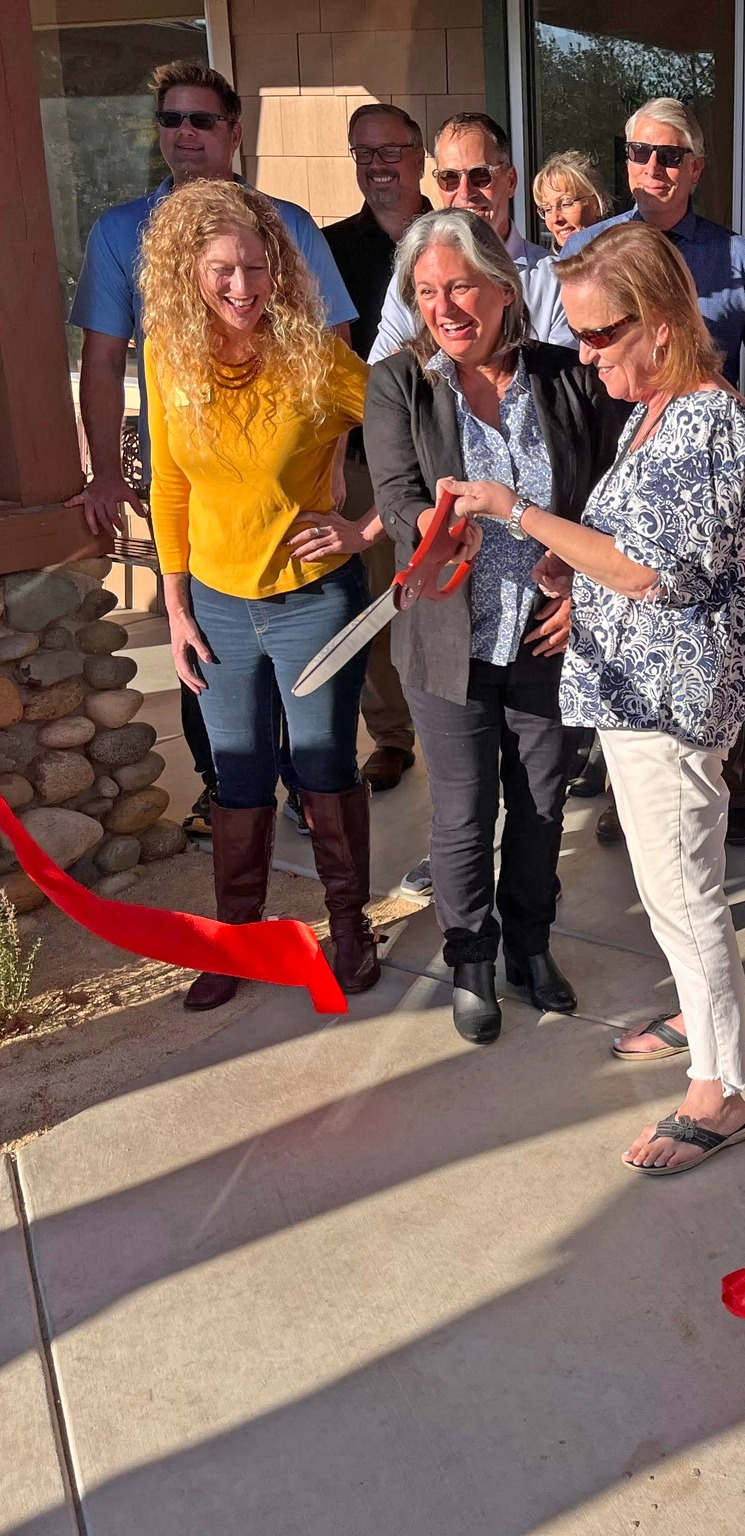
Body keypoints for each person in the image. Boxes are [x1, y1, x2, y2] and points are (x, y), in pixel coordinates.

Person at [447, 221, 745, 1169]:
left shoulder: (707, 421)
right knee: (673, 892)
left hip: (672, 710)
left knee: (685, 895)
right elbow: (629, 559)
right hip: (642, 701)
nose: (584, 356)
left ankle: (722, 1094)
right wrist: (569, 570)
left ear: (663, 325)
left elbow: (651, 572)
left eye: (599, 336)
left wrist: (517, 511)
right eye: (580, 335)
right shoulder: (658, 412)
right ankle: (703, 1029)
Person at [67, 59, 357, 838]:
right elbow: (102, 356)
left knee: (317, 732)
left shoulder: (287, 223)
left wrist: (339, 474)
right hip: (198, 497)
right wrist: (101, 470)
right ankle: (225, 795)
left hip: (289, 513)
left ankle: (311, 803)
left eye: (202, 120)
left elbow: (335, 353)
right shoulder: (120, 232)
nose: (185, 134)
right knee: (214, 690)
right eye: (171, 120)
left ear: (233, 132)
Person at [364, 210, 624, 1039]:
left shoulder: (565, 375)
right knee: (463, 813)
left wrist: (583, 583)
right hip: (449, 640)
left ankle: (530, 945)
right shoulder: (399, 382)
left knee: (542, 805)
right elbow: (397, 494)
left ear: (506, 290)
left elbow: (610, 496)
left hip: (548, 634)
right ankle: (469, 956)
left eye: (462, 286)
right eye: (428, 291)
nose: (445, 306)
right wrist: (436, 528)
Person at [139, 180, 377, 1008]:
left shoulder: (315, 352)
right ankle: (235, 941)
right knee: (236, 778)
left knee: (323, 766)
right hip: (215, 606)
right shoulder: (167, 353)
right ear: (186, 272)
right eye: (221, 271)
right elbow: (169, 487)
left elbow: (417, 426)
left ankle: (349, 926)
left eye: (256, 267)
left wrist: (366, 528)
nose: (242, 287)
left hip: (313, 599)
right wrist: (173, 608)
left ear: (278, 267)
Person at [561, 97, 745, 849]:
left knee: (699, 627)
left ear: (695, 167)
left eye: (668, 155)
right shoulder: (590, 252)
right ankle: (638, 798)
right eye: (637, 152)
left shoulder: (737, 258)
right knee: (631, 643)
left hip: (701, 465)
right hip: (622, 453)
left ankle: (721, 791)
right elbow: (566, 375)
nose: (651, 167)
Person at [318, 102, 432, 797]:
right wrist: (332, 460)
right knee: (378, 599)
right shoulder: (329, 250)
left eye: (390, 149)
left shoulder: (455, 234)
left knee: (453, 595)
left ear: (418, 155)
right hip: (370, 454)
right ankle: (392, 734)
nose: (378, 164)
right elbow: (323, 364)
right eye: (363, 152)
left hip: (452, 452)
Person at [371, 112, 574, 362]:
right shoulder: (416, 276)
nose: (465, 192)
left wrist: (422, 371)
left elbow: (558, 388)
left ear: (510, 181)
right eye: (450, 178)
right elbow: (382, 378)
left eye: (480, 176)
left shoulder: (556, 282)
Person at [531, 150, 609, 249]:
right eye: (547, 209)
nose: (555, 218)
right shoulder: (547, 263)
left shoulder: (622, 261)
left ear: (598, 204)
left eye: (566, 204)